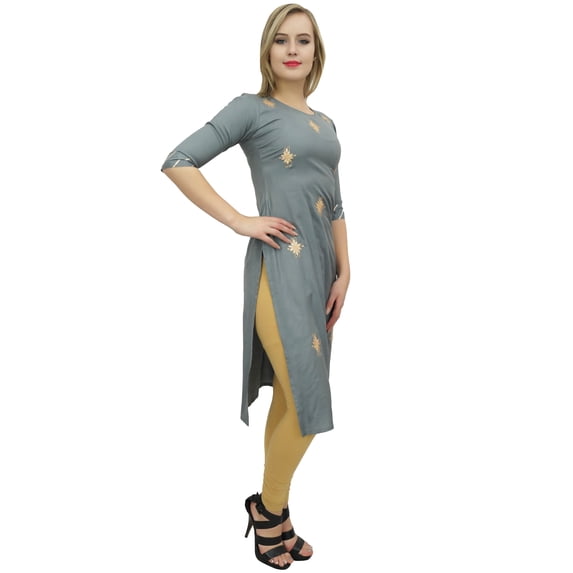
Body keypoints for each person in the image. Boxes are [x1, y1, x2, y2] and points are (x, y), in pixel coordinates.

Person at [160, 3, 349, 569]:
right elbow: (179, 160)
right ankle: (266, 510)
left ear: (316, 52)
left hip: (320, 273)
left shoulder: (326, 124)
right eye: (281, 40)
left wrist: (345, 270)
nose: (292, 49)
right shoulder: (252, 109)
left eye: (303, 41)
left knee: (292, 398)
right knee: (309, 402)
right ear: (267, 49)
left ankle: (278, 513)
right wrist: (241, 220)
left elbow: (336, 202)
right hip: (279, 266)